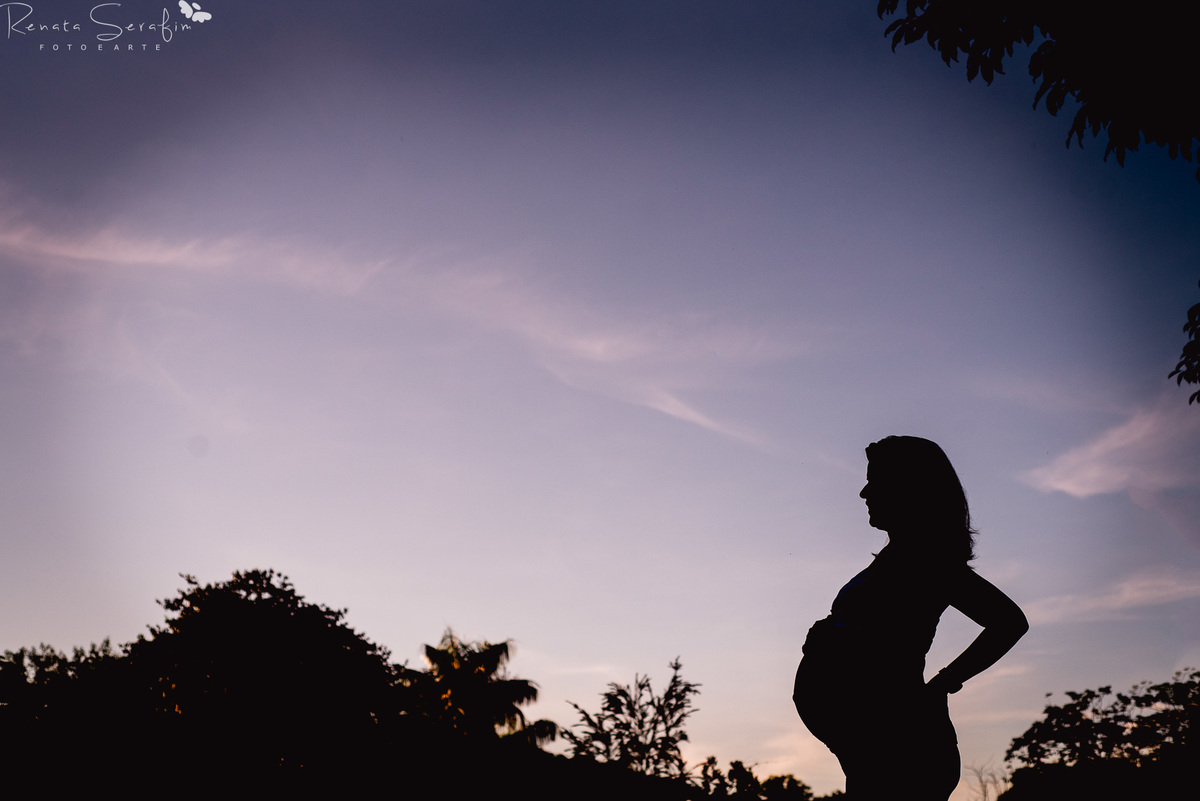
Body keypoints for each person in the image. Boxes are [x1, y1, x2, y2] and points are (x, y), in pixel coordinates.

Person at [793, 436, 1028, 800]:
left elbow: (1009, 622)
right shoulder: (898, 559)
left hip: (901, 749)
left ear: (910, 489)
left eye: (875, 481)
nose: (864, 493)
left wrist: (944, 682)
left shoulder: (929, 561)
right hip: (875, 749)